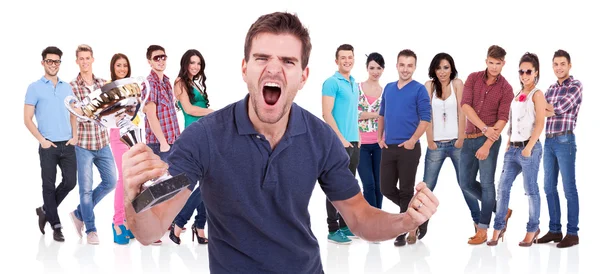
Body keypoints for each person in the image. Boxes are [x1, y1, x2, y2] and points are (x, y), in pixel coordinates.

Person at [122, 12, 439, 273]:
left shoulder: (321, 139)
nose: (273, 68)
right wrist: (133, 196)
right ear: (245, 69)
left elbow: (359, 217)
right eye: (261, 58)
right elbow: (150, 229)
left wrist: (406, 219)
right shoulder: (202, 138)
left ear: (303, 76)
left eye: (288, 61)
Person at [487, 52, 547, 247]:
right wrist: (508, 144)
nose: (524, 75)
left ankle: (533, 228)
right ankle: (498, 226)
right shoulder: (516, 94)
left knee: (530, 190)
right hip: (512, 150)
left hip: (529, 149)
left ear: (536, 72)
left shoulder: (537, 94)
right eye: (521, 71)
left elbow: (539, 123)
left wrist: (529, 147)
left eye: (528, 71)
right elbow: (513, 122)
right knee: (502, 188)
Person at [459, 45, 514, 245]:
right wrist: (484, 128)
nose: (494, 67)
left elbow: (502, 119)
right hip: (471, 137)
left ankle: (483, 230)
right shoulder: (473, 78)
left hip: (490, 141)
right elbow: (465, 105)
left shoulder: (506, 88)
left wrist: (487, 143)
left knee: (488, 184)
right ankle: (502, 210)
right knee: (465, 182)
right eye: (491, 62)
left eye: (498, 64)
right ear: (486, 61)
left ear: (503, 63)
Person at [377, 49, 431, 246]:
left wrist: (412, 140)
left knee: (406, 190)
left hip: (409, 148)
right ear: (397, 65)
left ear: (415, 67)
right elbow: (382, 113)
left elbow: (426, 118)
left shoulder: (419, 90)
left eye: (410, 65)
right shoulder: (389, 88)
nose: (405, 69)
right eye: (402, 65)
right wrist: (379, 136)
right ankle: (419, 214)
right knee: (386, 188)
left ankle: (404, 230)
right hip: (388, 147)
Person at [420, 52, 477, 240]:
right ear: (433, 69)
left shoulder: (457, 84)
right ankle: (417, 224)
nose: (442, 71)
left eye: (446, 67)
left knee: (466, 184)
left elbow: (463, 113)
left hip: (457, 143)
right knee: (427, 187)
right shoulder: (428, 86)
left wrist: (461, 138)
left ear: (451, 68)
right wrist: (429, 140)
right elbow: (426, 114)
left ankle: (479, 223)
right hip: (435, 144)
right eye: (438, 68)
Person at [25, 46, 77, 242]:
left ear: (60, 64)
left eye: (56, 61)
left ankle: (46, 209)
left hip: (68, 144)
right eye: (49, 61)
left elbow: (74, 113)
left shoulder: (67, 87)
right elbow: (27, 118)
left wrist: (75, 136)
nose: (53, 64)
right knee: (48, 186)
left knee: (70, 182)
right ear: (43, 63)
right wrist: (42, 140)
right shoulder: (34, 87)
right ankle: (56, 225)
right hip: (48, 146)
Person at [68, 44, 117, 245]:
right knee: (85, 189)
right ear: (77, 61)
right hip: (83, 143)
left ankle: (79, 213)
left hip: (102, 141)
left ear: (93, 60)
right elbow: (73, 113)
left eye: (88, 58)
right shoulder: (71, 86)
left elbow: (110, 108)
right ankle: (91, 229)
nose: (85, 62)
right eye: (81, 58)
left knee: (111, 181)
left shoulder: (102, 83)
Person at [536, 49, 583, 248]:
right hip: (549, 142)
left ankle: (572, 233)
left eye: (562, 64)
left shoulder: (576, 86)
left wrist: (545, 109)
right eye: (555, 64)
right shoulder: (550, 88)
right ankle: (555, 230)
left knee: (569, 188)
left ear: (569, 65)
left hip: (565, 141)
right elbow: (540, 111)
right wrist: (543, 109)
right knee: (548, 186)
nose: (559, 68)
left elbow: (557, 109)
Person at [169, 49, 214, 245]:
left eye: (199, 63)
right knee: (201, 184)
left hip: (206, 135)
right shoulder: (180, 82)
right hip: (193, 137)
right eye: (192, 63)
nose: (196, 66)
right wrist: (214, 112)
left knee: (210, 183)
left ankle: (200, 226)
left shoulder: (196, 83)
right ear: (185, 63)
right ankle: (178, 223)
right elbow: (188, 109)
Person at [140, 45, 181, 245]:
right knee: (156, 187)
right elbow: (151, 115)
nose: (161, 60)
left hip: (173, 141)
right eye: (156, 58)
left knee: (168, 186)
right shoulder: (149, 84)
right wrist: (164, 142)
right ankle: (150, 229)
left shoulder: (166, 81)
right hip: (158, 144)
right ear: (149, 61)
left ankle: (163, 225)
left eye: (163, 57)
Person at [321, 43, 360, 244]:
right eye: (343, 57)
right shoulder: (331, 82)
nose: (347, 61)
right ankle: (332, 228)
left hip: (354, 143)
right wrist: (341, 139)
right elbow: (326, 113)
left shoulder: (354, 83)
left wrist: (356, 139)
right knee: (335, 186)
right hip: (338, 143)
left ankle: (344, 224)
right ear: (336, 61)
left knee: (346, 187)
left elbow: (353, 115)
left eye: (350, 57)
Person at [108, 53, 142, 245]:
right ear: (113, 68)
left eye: (125, 66)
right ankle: (117, 222)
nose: (122, 69)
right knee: (123, 178)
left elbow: (136, 112)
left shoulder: (132, 87)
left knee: (133, 181)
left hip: (134, 133)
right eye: (118, 66)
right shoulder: (109, 89)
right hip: (118, 135)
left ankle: (129, 222)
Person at [357, 52, 385, 210]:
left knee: (379, 185)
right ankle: (370, 222)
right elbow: (353, 114)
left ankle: (378, 219)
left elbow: (388, 117)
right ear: (367, 68)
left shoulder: (385, 91)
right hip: (361, 144)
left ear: (383, 70)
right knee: (368, 184)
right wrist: (377, 114)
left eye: (379, 68)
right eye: (372, 67)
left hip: (379, 143)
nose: (375, 71)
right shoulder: (357, 88)